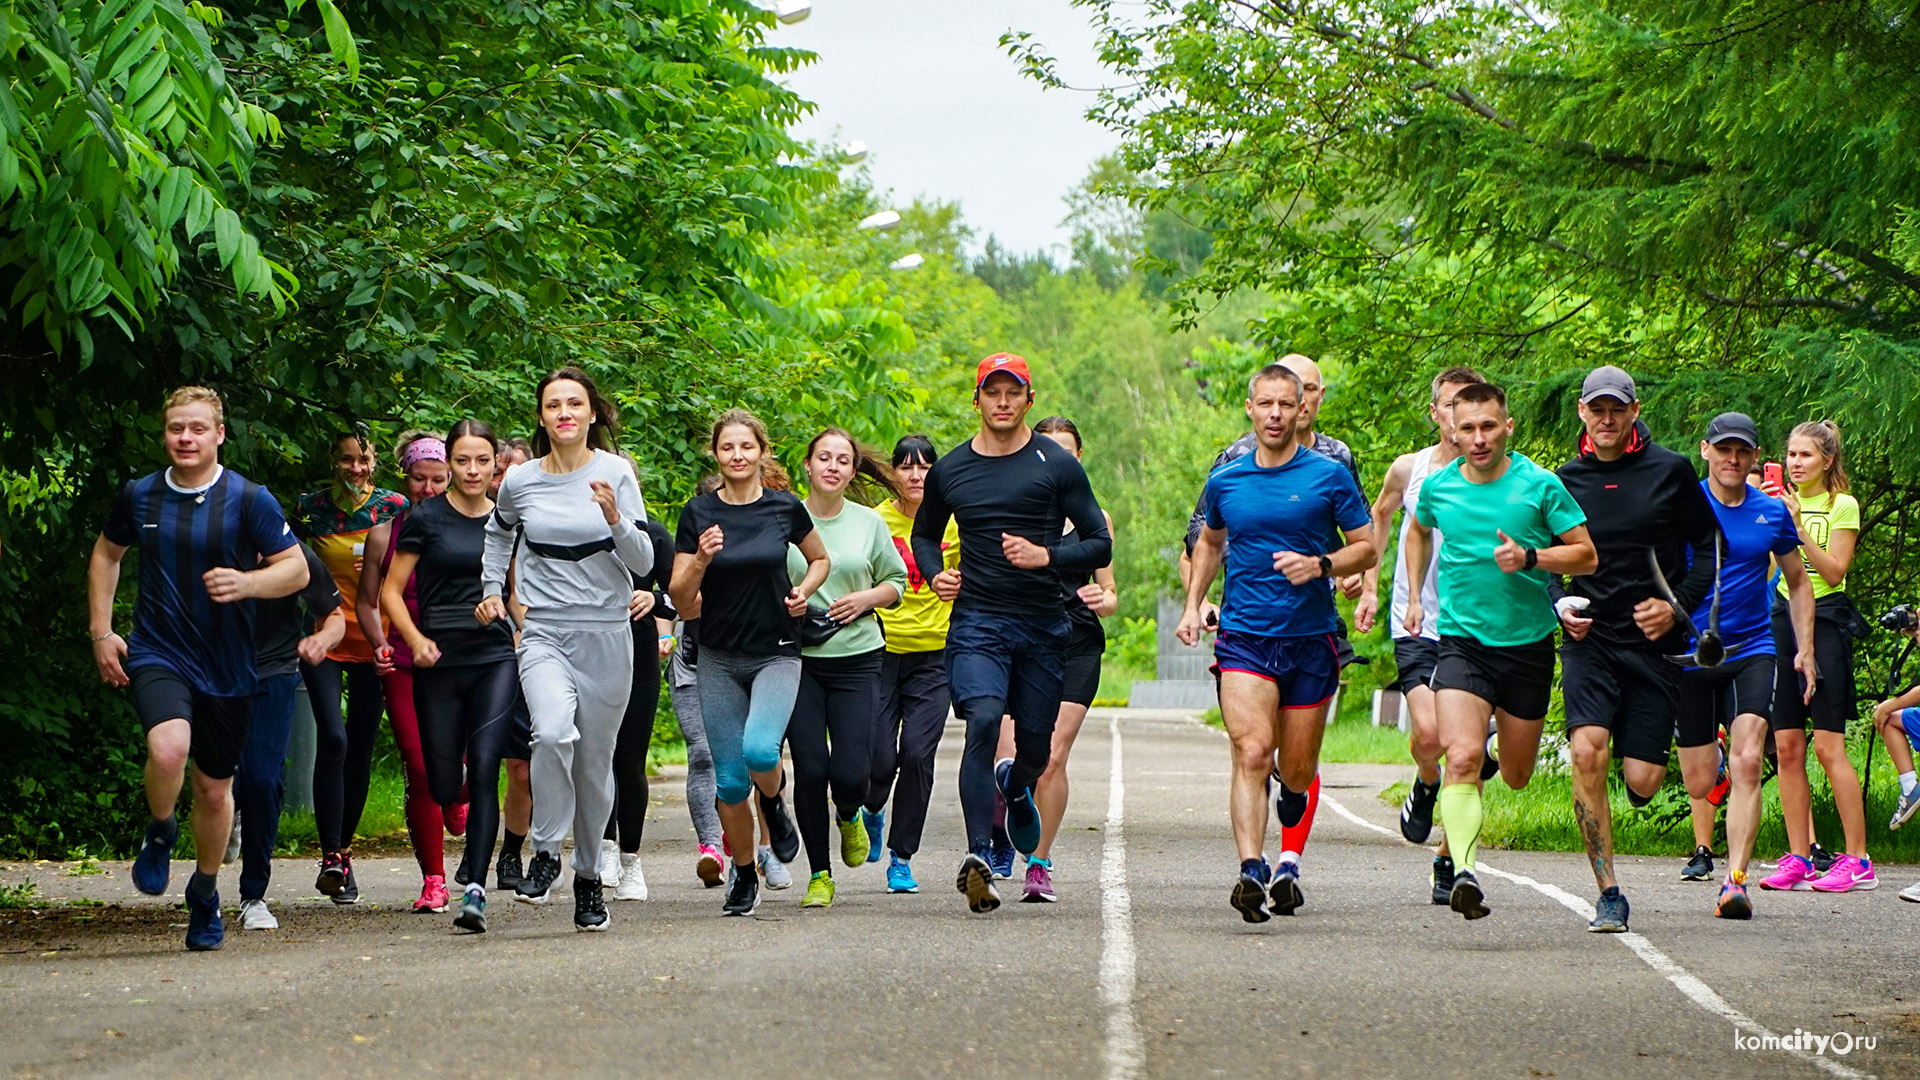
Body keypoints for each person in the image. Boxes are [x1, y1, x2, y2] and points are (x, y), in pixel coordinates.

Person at [87, 386, 310, 950]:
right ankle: (161, 830)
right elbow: (106, 554)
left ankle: (206, 893)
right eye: (175, 429)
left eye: (197, 429)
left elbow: (297, 571)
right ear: (165, 434)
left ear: (219, 435)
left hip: (230, 664)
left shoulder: (249, 498)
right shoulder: (140, 496)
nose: (185, 438)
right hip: (160, 649)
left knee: (214, 791)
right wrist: (103, 631)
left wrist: (248, 583)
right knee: (167, 748)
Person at [911, 353, 1112, 914]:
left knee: (1035, 752)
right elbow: (925, 534)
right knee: (980, 720)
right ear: (976, 401)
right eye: (991, 392)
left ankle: (1017, 785)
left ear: (1028, 399)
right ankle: (978, 857)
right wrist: (935, 574)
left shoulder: (1056, 464)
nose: (1002, 402)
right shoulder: (951, 469)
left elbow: (1100, 542)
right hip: (977, 621)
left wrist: (1045, 555)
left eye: (1012, 392)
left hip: (1045, 627)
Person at [1176, 364, 1375, 922]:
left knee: (1297, 770)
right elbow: (1208, 543)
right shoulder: (1228, 479)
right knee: (1252, 751)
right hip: (1244, 636)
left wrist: (1321, 565)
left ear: (1302, 407)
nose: (1275, 415)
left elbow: (1367, 547)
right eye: (1266, 404)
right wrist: (1195, 604)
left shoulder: (1329, 475)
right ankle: (1250, 868)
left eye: (1286, 405)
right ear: (1250, 407)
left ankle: (1289, 802)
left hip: (1311, 639)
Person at [1402, 381, 1596, 922]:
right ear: (1451, 430)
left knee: (1515, 774)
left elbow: (1586, 556)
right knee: (1459, 756)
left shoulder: (1539, 485)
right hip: (1462, 641)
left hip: (1528, 647)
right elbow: (1417, 531)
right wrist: (1416, 598)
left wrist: (1532, 557)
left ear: (1508, 426)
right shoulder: (1439, 487)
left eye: (1489, 426)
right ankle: (1462, 871)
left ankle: (1480, 780)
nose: (1479, 438)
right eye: (1467, 428)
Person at [480, 367, 656, 932]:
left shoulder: (616, 473)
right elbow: (498, 532)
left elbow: (646, 562)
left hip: (606, 632)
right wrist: (491, 589)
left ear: (592, 414)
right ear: (541, 417)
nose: (564, 414)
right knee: (552, 732)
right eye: (553, 405)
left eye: (574, 404)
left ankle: (587, 882)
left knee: (594, 765)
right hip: (545, 630)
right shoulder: (521, 480)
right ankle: (547, 850)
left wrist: (614, 517)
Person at [1550, 365, 1719, 932]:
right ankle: (1610, 893)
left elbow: (1708, 547)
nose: (1606, 418)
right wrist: (1559, 603)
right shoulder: (1564, 480)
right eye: (1596, 409)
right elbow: (1543, 556)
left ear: (1634, 410)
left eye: (1616, 409)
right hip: (1590, 639)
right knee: (1587, 751)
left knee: (1643, 781)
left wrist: (1676, 607)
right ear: (1582, 412)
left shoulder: (1670, 470)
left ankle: (1660, 752)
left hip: (1654, 645)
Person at [669, 410, 831, 916]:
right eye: (727, 448)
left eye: (746, 447)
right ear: (716, 455)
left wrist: (803, 590)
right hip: (717, 657)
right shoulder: (698, 513)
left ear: (762, 451)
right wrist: (700, 559)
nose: (737, 456)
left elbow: (821, 560)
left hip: (777, 652)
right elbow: (678, 595)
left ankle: (775, 806)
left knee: (761, 752)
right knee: (730, 782)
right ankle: (743, 874)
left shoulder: (785, 508)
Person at [1669, 414, 1819, 918]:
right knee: (1697, 782)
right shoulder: (1681, 503)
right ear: (1706, 450)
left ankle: (1735, 881)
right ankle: (1713, 764)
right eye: (1724, 449)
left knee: (1750, 758)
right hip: (1690, 653)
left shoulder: (1770, 514)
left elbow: (1798, 581)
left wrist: (1805, 648)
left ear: (1755, 458)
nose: (1733, 459)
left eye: (1743, 452)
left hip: (1752, 649)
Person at [1351, 366, 1484, 904]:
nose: (1460, 417)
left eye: (1470, 405)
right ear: (1436, 412)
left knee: (1462, 749)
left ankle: (1449, 861)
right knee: (1429, 737)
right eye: (1451, 405)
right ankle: (1425, 783)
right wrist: (1369, 587)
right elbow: (1379, 518)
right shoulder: (1411, 470)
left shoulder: (1494, 474)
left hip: (1475, 628)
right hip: (1417, 620)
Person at [784, 429, 908, 909]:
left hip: (859, 656)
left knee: (852, 772)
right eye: (824, 458)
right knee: (811, 769)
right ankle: (819, 874)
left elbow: (896, 580)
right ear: (808, 466)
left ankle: (850, 813)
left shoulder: (868, 523)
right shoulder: (785, 516)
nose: (832, 467)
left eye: (843, 460)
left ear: (852, 472)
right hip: (799, 659)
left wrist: (866, 598)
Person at [1757, 420, 1877, 893]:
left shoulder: (1840, 505)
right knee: (1787, 746)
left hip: (1826, 619)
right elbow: (1772, 570)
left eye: (1805, 455)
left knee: (1828, 746)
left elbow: (1834, 569)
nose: (1795, 463)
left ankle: (1858, 859)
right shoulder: (1776, 504)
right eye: (1790, 455)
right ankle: (1800, 857)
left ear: (1827, 461)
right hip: (1782, 618)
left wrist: (1799, 527)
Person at [297, 430, 409, 903]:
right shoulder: (309, 509)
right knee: (334, 737)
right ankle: (329, 854)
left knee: (360, 744)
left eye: (363, 460)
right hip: (324, 637)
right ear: (331, 460)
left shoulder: (393, 507)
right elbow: (290, 568)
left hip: (377, 641)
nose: (356, 469)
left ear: (375, 461)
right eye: (346, 460)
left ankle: (344, 855)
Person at [356, 432, 463, 915]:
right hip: (402, 657)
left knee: (459, 763)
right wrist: (378, 643)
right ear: (405, 478)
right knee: (419, 768)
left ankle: (459, 791)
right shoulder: (385, 532)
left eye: (438, 479)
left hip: (459, 658)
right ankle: (434, 880)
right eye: (419, 479)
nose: (428, 488)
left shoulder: (470, 526)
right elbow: (367, 599)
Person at [1014, 416, 1119, 904]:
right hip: (1022, 636)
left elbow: (1112, 591)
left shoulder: (1095, 515)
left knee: (1054, 757)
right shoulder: (1012, 506)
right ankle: (1006, 827)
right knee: (1017, 760)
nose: (1058, 458)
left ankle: (1039, 862)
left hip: (1078, 638)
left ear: (1078, 458)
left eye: (1067, 451)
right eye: (1048, 448)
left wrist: (1105, 598)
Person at [867, 435, 959, 895]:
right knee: (880, 760)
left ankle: (901, 858)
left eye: (925, 467)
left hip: (936, 655)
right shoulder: (876, 522)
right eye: (906, 467)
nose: (916, 475)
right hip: (879, 652)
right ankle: (872, 807)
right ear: (894, 473)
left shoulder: (955, 522)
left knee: (918, 757)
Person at [235, 540, 343, 931]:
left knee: (263, 780)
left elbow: (335, 617)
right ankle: (205, 888)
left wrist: (321, 639)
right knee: (218, 780)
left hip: (275, 672)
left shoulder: (297, 557)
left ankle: (254, 896)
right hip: (214, 674)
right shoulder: (213, 548)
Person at [599, 510, 677, 903]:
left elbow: (683, 595)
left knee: (629, 759)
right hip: (588, 647)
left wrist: (655, 597)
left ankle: (631, 860)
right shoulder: (574, 528)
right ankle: (604, 848)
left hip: (639, 649)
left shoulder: (653, 534)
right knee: (594, 756)